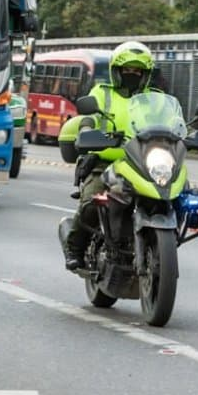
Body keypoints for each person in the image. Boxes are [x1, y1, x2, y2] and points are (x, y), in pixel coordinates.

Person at [63, 40, 160, 271]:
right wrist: (87, 130)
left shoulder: (155, 98)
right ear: (116, 71)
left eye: (137, 71)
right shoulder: (102, 93)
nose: (132, 75)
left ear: (145, 74)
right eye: (127, 70)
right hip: (106, 163)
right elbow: (89, 117)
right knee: (91, 203)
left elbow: (170, 124)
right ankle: (74, 247)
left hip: (144, 164)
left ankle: (158, 242)